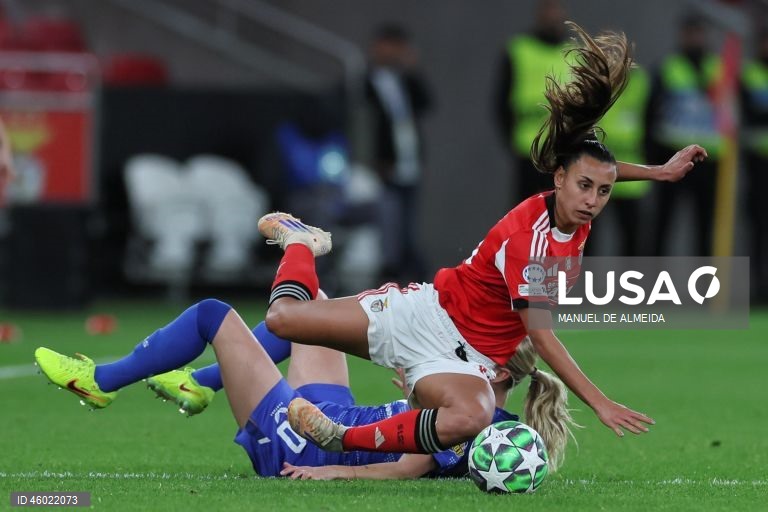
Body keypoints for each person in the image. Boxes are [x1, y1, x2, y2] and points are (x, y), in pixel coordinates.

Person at [257, 22, 707, 458]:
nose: (593, 199)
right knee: (282, 319)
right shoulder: (531, 240)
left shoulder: (577, 204)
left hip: (465, 361)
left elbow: (601, 167)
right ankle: (303, 243)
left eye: (603, 191)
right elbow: (543, 339)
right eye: (584, 187)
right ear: (559, 179)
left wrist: (658, 172)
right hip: (423, 317)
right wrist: (600, 402)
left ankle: (340, 438)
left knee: (475, 414)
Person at [33, 295, 576, 477]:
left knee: (211, 315)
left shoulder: (481, 428)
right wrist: (415, 386)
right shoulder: (477, 408)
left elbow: (410, 466)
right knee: (314, 318)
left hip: (308, 442)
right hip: (340, 412)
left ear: (499, 372)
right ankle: (194, 384)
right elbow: (425, 437)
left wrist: (334, 469)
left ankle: (100, 381)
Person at [645, 13, 722, 256]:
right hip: (673, 154)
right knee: (663, 222)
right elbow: (650, 114)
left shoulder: (719, 69)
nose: (695, 38)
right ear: (683, 35)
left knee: (706, 226)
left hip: (709, 159)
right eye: (690, 33)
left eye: (699, 32)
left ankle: (705, 287)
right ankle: (654, 281)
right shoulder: (668, 68)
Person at [364, 24, 433, 283]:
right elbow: (365, 125)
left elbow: (427, 102)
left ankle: (408, 281)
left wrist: (413, 69)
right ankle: (389, 277)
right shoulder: (365, 82)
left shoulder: (405, 81)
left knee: (407, 229)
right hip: (383, 168)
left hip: (409, 165)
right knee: (389, 230)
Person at [494, 0, 571, 203]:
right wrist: (510, 137)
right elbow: (501, 100)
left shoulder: (574, 53)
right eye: (549, 9)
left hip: (563, 148)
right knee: (526, 212)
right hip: (529, 146)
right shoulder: (520, 50)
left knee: (561, 213)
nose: (553, 16)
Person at [740, 28, 768, 303]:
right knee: (758, 229)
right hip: (759, 165)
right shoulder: (750, 73)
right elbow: (749, 112)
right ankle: (759, 290)